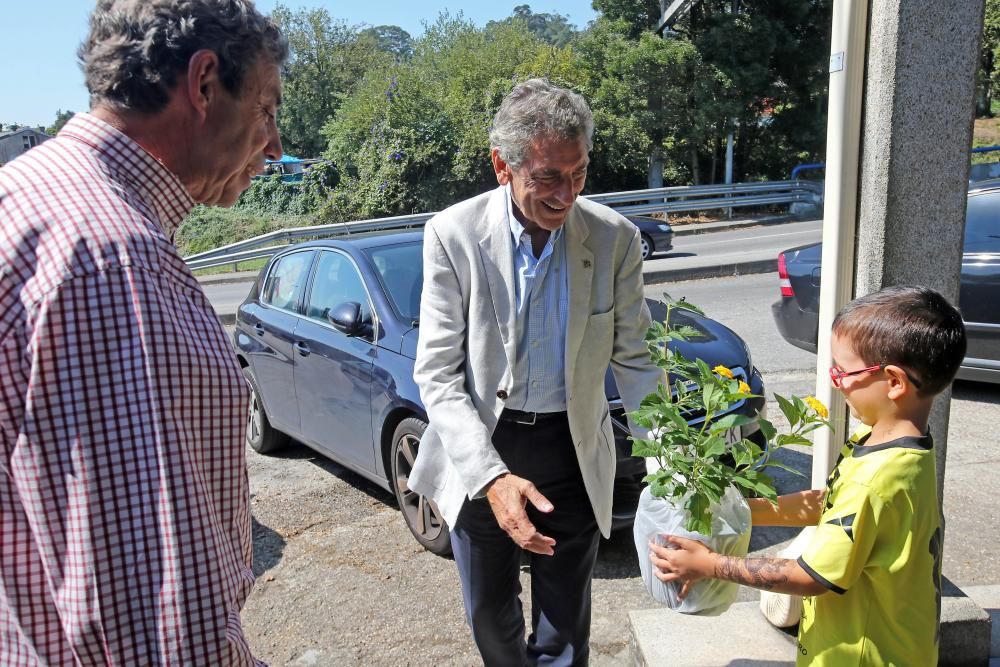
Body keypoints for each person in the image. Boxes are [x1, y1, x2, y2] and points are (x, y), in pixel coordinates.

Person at [0, 1, 286, 663]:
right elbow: (155, 620)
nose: (273, 142)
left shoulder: (23, 193)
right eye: (267, 108)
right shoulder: (115, 261)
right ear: (205, 82)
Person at [410, 78, 665, 665]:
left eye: (578, 175)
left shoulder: (614, 239)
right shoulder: (454, 234)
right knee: (491, 615)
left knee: (566, 624)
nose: (566, 194)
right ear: (503, 164)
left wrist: (671, 466)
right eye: (548, 176)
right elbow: (439, 376)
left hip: (571, 444)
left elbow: (637, 359)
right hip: (481, 443)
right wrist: (493, 480)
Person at [649, 285, 967, 666]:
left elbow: (807, 577)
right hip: (892, 644)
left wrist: (709, 564)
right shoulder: (898, 447)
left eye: (843, 371)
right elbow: (827, 504)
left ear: (895, 382)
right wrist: (737, 510)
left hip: (865, 656)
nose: (835, 380)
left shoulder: (876, 477)